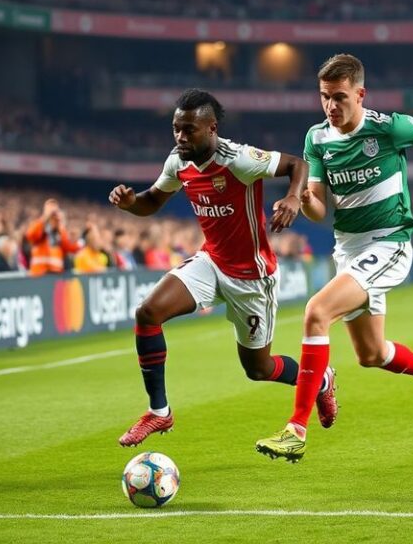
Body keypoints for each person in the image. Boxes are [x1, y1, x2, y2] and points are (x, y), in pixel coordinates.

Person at [255, 53, 413, 462]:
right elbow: (319, 211)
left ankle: (296, 427)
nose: (331, 106)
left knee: (315, 312)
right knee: (371, 354)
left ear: (360, 94)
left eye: (340, 97)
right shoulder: (317, 138)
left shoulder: (388, 128)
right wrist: (305, 198)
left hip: (389, 242)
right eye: (325, 97)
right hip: (348, 249)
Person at [108, 88, 337, 447]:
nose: (181, 137)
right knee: (147, 312)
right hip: (211, 261)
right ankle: (160, 412)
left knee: (257, 369)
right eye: (176, 129)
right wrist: (130, 203)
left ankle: (321, 379)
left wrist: (293, 197)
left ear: (211, 128)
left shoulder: (239, 159)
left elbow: (297, 164)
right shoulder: (178, 162)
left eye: (188, 130)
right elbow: (152, 201)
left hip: (252, 276)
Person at [25, 198, 79, 276]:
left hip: (56, 275)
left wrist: (62, 225)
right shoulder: (40, 229)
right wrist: (44, 217)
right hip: (39, 274)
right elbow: (30, 235)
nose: (54, 216)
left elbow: (70, 248)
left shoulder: (60, 232)